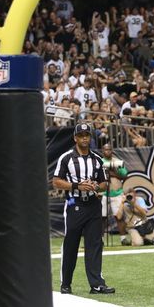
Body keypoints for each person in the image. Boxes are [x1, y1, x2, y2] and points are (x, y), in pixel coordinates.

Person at [52, 123, 114, 295]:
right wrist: (77, 186)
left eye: (87, 135)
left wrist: (95, 186)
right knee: (71, 245)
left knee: (95, 244)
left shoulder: (97, 159)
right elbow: (56, 181)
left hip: (93, 206)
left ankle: (96, 284)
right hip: (74, 205)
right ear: (75, 138)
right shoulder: (66, 158)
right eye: (81, 135)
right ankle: (66, 283)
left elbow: (103, 184)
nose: (85, 138)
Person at [100, 144, 128, 240]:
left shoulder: (117, 161)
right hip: (103, 193)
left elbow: (124, 175)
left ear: (112, 150)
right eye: (105, 150)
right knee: (102, 217)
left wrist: (113, 172)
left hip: (117, 192)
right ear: (102, 151)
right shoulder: (100, 162)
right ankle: (101, 239)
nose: (107, 151)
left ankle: (123, 238)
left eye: (109, 150)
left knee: (119, 217)